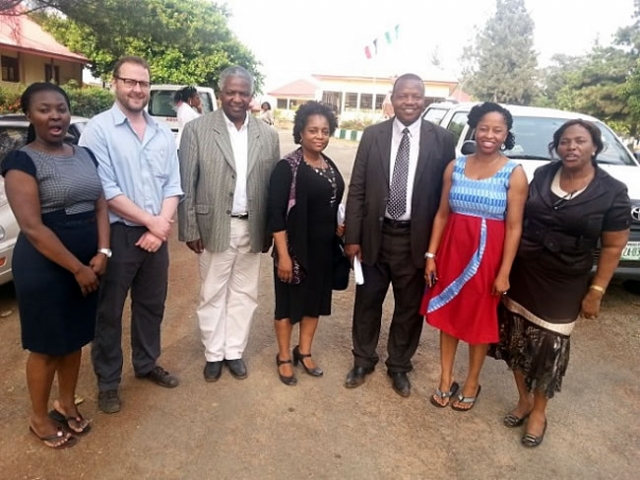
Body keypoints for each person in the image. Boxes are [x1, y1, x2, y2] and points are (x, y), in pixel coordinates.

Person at [489, 119, 630, 447]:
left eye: (580, 141)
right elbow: (517, 220)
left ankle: (539, 411)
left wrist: (596, 290)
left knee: (549, 346)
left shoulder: (612, 192)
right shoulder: (542, 175)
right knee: (515, 337)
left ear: (594, 146)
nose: (572, 147)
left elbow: (612, 246)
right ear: (557, 147)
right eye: (565, 141)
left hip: (566, 279)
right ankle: (523, 399)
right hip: (525, 271)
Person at [2, 83, 110, 448]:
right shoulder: (21, 162)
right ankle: (37, 416)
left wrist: (103, 252)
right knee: (47, 345)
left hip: (88, 261)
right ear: (29, 114)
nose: (55, 116)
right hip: (45, 266)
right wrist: (77, 268)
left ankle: (65, 402)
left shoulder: (85, 154)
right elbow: (32, 227)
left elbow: (99, 205)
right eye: (45, 109)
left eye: (61, 109)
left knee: (74, 340)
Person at [79, 56, 183, 414]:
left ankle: (146, 363)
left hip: (156, 235)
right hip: (119, 235)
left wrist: (161, 225)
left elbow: (174, 184)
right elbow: (105, 189)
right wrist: (154, 223)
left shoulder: (160, 132)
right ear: (115, 83)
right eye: (130, 82)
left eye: (143, 83)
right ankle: (108, 382)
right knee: (109, 312)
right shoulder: (98, 129)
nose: (137, 89)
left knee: (151, 306)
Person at [343, 73, 455, 397]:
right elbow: (358, 188)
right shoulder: (372, 135)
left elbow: (446, 198)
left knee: (409, 307)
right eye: (403, 95)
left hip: (415, 240)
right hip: (373, 237)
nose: (409, 101)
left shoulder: (443, 140)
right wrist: (353, 237)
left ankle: (399, 366)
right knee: (367, 302)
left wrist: (437, 249)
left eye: (416, 96)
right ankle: (363, 359)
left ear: (424, 99)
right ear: (392, 99)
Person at [421, 102, 528, 410]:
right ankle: (445, 379)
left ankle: (471, 381)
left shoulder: (514, 173)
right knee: (449, 315)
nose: (489, 135)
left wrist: (505, 270)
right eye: (484, 128)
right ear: (474, 129)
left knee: (478, 318)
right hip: (452, 250)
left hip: (488, 256)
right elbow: (442, 214)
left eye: (497, 130)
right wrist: (431, 254)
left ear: (506, 134)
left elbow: (515, 226)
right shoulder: (454, 166)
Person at [178, 65, 280, 382]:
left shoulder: (268, 135)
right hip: (213, 227)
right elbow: (186, 183)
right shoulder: (198, 129)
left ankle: (233, 351)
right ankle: (213, 353)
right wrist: (190, 228)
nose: (237, 98)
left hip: (252, 226)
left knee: (245, 293)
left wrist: (268, 231)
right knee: (212, 292)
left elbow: (273, 188)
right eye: (231, 92)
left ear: (251, 96)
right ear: (221, 94)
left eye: (244, 92)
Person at [267, 101, 345, 386]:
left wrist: (338, 225)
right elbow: (275, 214)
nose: (319, 136)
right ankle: (284, 356)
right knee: (287, 306)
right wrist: (284, 256)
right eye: (313, 130)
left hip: (324, 250)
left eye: (325, 131)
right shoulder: (287, 167)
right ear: (300, 132)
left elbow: (331, 203)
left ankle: (305, 351)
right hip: (295, 250)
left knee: (315, 304)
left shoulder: (328, 164)